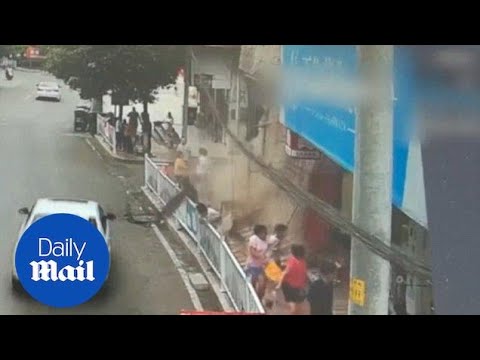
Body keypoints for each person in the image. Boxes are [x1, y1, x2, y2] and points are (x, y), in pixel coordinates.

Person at [277, 244, 308, 315]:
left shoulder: (293, 261)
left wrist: (279, 284)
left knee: (295, 305)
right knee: (296, 304)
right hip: (293, 286)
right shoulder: (302, 261)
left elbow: (285, 273)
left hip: (292, 286)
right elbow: (304, 273)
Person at [246, 225, 268, 298]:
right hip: (253, 265)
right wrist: (260, 256)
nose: (265, 234)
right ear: (259, 233)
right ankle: (251, 296)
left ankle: (259, 298)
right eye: (264, 233)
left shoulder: (266, 240)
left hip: (261, 266)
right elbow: (252, 252)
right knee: (253, 282)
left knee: (262, 284)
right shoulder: (253, 239)